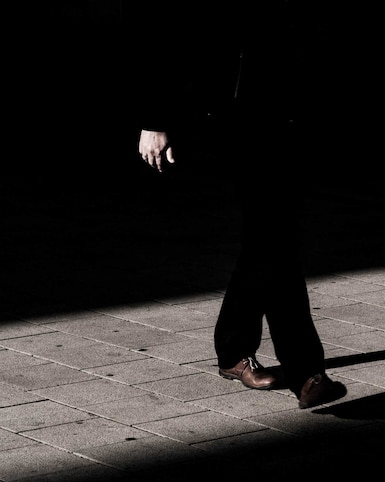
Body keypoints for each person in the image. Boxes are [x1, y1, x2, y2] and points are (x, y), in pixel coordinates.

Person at [125, 1, 346, 409]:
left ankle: (234, 349)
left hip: (285, 107)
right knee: (273, 233)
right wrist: (154, 118)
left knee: (269, 236)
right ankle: (305, 371)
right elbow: (158, 27)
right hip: (228, 115)